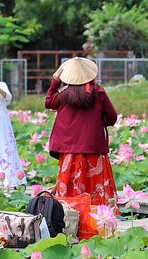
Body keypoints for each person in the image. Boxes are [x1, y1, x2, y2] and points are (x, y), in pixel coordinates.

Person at [44, 57, 119, 208]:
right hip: (93, 145)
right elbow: (112, 117)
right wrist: (99, 123)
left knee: (70, 183)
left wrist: (55, 80)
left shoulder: (63, 95)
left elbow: (48, 101)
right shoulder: (99, 93)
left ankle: (69, 212)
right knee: (95, 184)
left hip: (69, 148)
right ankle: (99, 213)